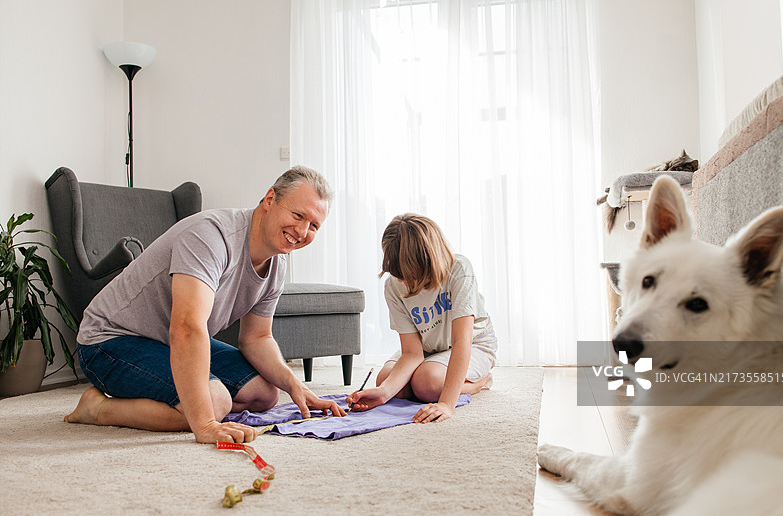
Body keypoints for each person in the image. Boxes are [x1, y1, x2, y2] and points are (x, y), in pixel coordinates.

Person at [64, 166, 346, 444]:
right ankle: (97, 409)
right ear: (270, 199)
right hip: (110, 340)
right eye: (298, 215)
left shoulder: (276, 264)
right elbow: (187, 327)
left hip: (166, 341)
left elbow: (257, 338)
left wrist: (296, 386)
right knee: (215, 402)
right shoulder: (211, 236)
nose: (302, 231)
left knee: (265, 394)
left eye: (314, 226)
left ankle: (181, 399)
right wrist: (205, 423)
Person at [346, 214, 496, 423]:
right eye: (399, 277)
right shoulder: (393, 285)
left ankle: (478, 383)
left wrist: (446, 403)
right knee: (385, 381)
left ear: (428, 260)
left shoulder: (459, 270)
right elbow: (411, 353)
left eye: (410, 276)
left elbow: (462, 341)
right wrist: (383, 393)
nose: (404, 283)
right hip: (428, 349)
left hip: (474, 344)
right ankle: (415, 385)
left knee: (426, 383)